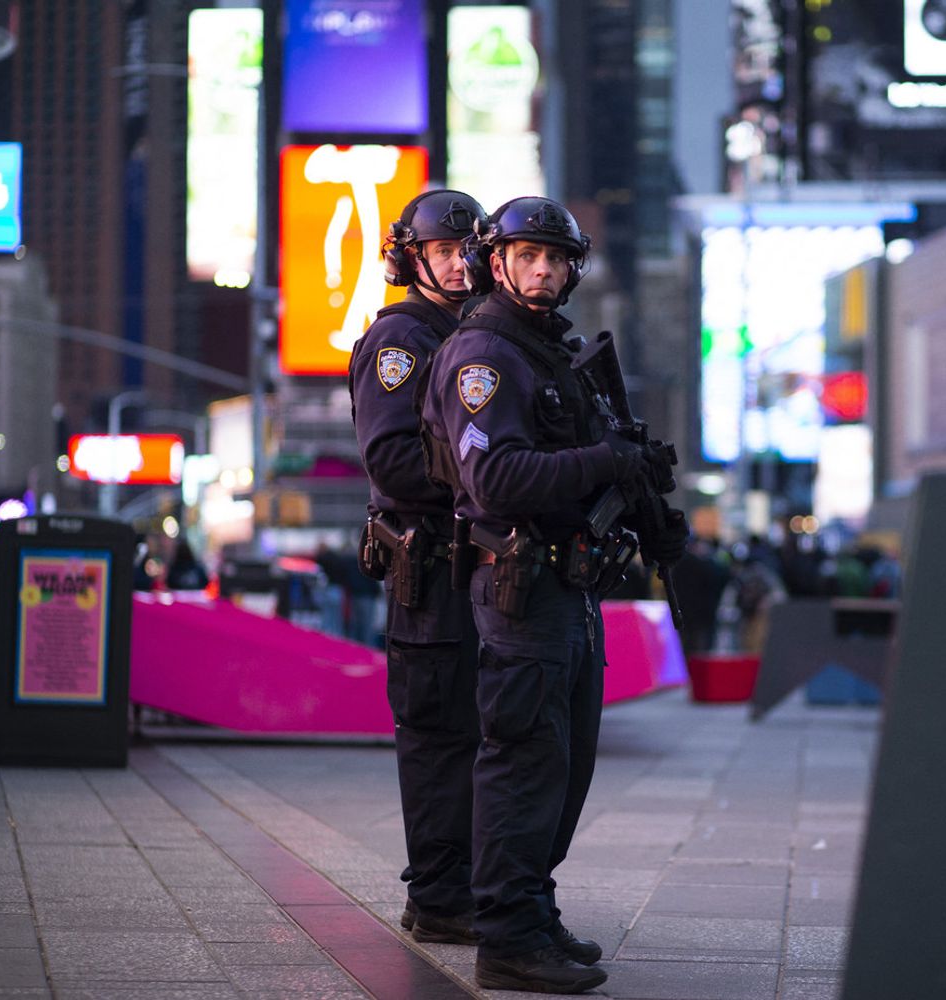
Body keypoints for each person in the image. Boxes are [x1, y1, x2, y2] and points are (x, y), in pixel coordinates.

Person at [420, 196, 688, 994]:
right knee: (525, 763)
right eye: (528, 256)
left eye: (556, 259)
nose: (543, 270)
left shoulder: (547, 352)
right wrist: (603, 463)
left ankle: (531, 911)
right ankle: (506, 935)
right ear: (494, 262)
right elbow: (494, 478)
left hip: (567, 587)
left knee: (563, 769)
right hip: (519, 589)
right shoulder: (484, 356)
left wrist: (638, 489)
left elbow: (592, 457)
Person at [348, 188, 487, 947]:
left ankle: (467, 889)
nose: (462, 266)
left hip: (479, 573)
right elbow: (393, 461)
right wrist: (492, 475)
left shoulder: (478, 334)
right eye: (445, 252)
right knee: (439, 740)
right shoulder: (405, 338)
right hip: (430, 571)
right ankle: (438, 898)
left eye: (472, 253)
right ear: (413, 257)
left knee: (480, 734)